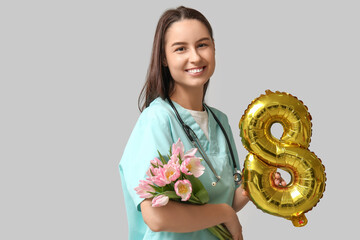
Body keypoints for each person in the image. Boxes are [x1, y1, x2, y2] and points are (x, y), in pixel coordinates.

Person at [119, 6, 285, 240]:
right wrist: (225, 213)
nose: (195, 57)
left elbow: (220, 201)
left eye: (202, 45)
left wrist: (254, 184)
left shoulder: (220, 121)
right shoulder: (156, 120)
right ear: (164, 59)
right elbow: (157, 217)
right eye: (180, 49)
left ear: (214, 49)